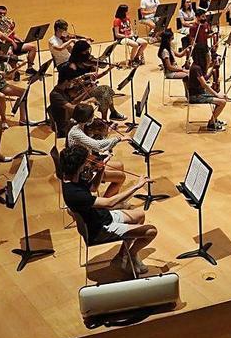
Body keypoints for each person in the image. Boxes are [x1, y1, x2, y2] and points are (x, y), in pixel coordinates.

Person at [60, 144, 157, 275]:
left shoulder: (71, 178)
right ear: (79, 167)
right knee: (151, 231)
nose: (89, 164)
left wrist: (101, 170)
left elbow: (93, 188)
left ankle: (122, 254)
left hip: (100, 217)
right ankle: (130, 256)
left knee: (140, 215)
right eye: (86, 162)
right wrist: (137, 186)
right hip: (99, 229)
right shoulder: (74, 193)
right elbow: (110, 203)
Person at [56, 39, 126, 122]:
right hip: (77, 92)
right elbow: (70, 84)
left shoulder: (87, 63)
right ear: (79, 52)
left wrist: (107, 71)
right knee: (104, 93)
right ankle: (106, 119)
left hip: (87, 88)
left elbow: (93, 78)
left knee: (107, 90)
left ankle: (111, 114)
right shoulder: (70, 66)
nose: (88, 54)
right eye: (85, 52)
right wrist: (85, 79)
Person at [67, 104, 126, 197]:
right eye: (92, 115)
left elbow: (95, 140)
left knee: (120, 166)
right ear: (87, 118)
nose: (93, 118)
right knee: (121, 177)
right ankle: (106, 204)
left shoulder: (81, 127)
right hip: (82, 170)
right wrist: (118, 139)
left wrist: (109, 130)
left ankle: (111, 199)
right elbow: (97, 145)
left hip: (88, 161)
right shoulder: (76, 133)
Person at [188, 43, 227, 132]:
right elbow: (204, 84)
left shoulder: (197, 65)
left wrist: (213, 66)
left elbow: (205, 78)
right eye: (208, 52)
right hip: (196, 96)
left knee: (223, 98)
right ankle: (211, 124)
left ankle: (214, 119)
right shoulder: (196, 68)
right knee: (222, 102)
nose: (209, 54)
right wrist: (216, 95)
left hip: (200, 93)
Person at [0, 6, 37, 74]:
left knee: (33, 47)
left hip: (13, 44)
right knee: (12, 56)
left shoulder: (8, 21)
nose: (2, 15)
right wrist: (11, 41)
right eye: (0, 13)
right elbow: (0, 35)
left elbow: (13, 34)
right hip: (2, 45)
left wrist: (20, 40)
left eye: (4, 14)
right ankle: (15, 72)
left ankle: (30, 68)